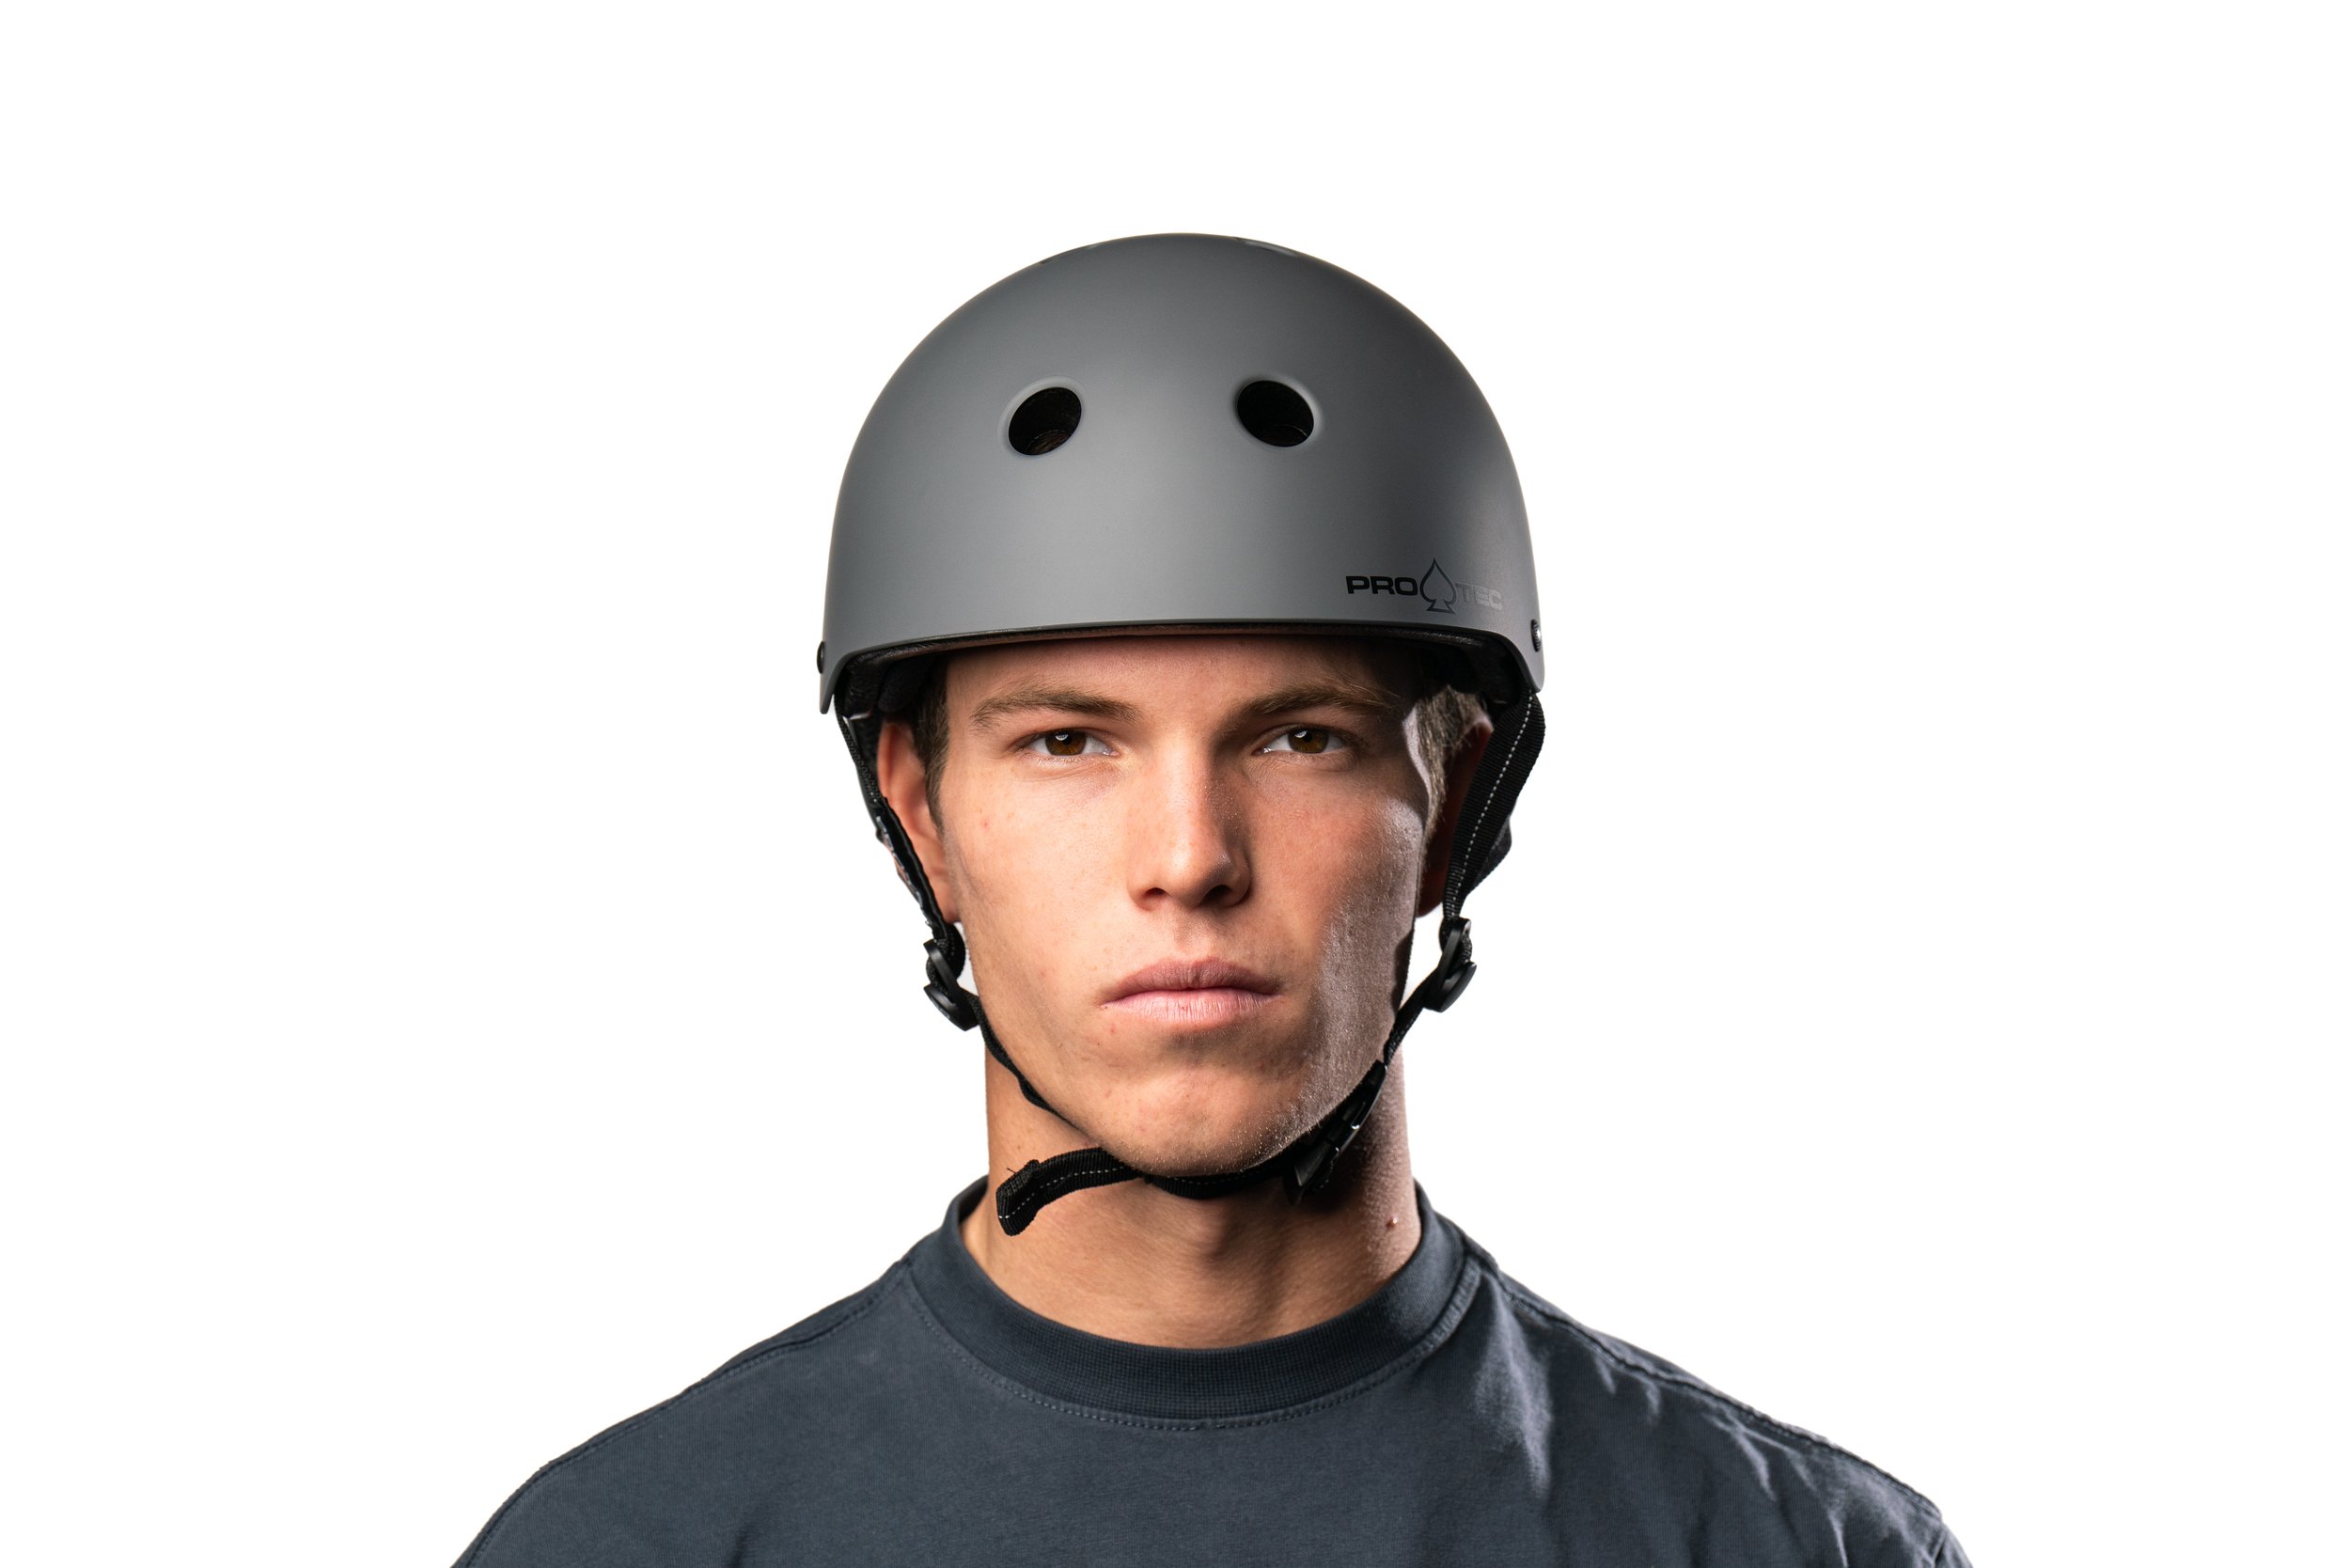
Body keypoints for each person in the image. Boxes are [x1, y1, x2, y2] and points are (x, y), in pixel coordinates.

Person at [454, 233, 1973, 1566]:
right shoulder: (628, 1545)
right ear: (923, 817)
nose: (1187, 855)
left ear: (1454, 805)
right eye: (1068, 743)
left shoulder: (1790, 1548)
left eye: (1297, 736)